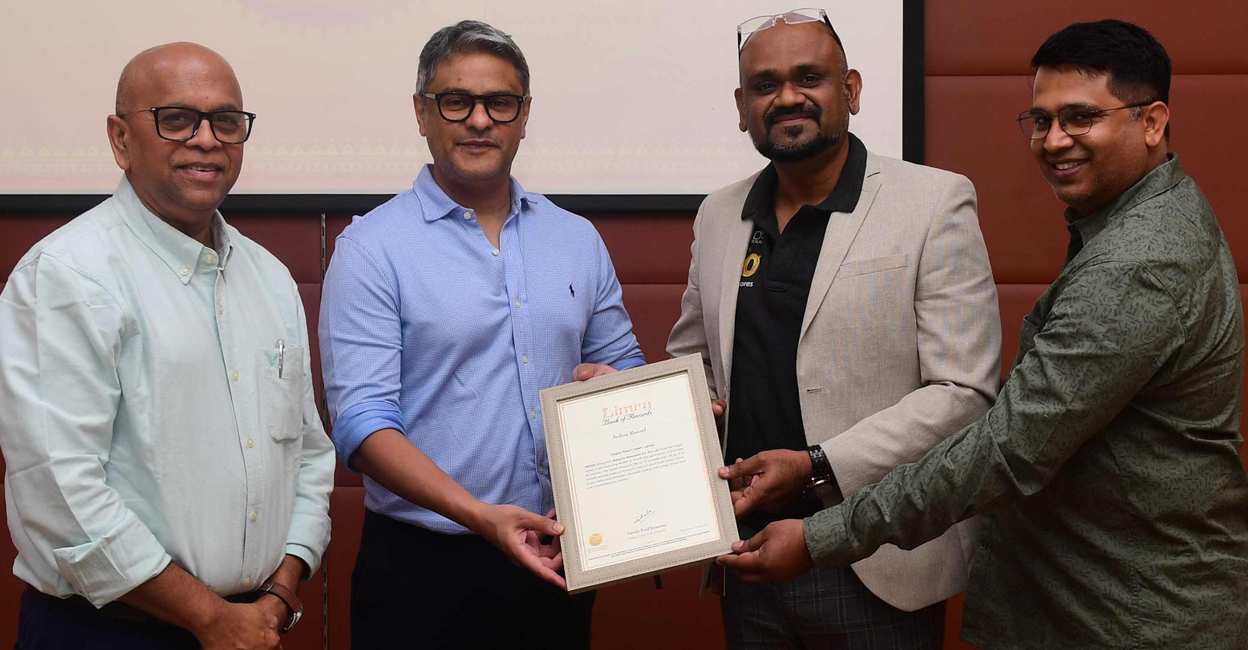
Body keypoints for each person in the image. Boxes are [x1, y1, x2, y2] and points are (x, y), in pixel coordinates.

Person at [719, 18, 1248, 650]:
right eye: (1042, 120)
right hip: (1099, 597)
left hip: (1134, 612)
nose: (1055, 140)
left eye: (1081, 118)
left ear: (1153, 122)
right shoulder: (1133, 224)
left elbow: (1009, 446)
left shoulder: (1137, 262)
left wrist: (819, 534)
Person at [666, 8, 1001, 649]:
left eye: (808, 77)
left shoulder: (934, 201)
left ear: (850, 89)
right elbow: (696, 362)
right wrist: (641, 404)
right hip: (748, 552)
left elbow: (963, 391)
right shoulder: (719, 214)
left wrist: (816, 466)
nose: (787, 97)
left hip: (876, 555)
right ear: (742, 107)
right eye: (765, 85)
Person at [319, 20, 645, 650]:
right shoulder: (371, 248)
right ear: (422, 113)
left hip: (559, 558)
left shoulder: (576, 239)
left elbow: (623, 364)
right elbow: (361, 424)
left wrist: (625, 391)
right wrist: (482, 517)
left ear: (524, 116)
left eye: (500, 103)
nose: (478, 120)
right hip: (422, 571)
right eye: (455, 101)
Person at [0, 42, 334, 650]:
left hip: (254, 626)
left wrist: (281, 591)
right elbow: (59, 493)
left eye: (225, 121)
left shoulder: (270, 278)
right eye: (176, 119)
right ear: (120, 139)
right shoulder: (67, 276)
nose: (207, 140)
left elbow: (308, 455)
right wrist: (211, 619)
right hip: (107, 631)